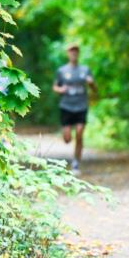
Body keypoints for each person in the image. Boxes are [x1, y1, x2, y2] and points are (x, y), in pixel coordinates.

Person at [53, 43, 95, 173]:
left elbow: (94, 89)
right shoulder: (62, 71)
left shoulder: (85, 70)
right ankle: (67, 136)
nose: (74, 53)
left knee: (79, 134)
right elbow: (55, 87)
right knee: (67, 139)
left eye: (76, 51)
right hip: (66, 106)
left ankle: (76, 163)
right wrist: (61, 89)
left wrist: (91, 83)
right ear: (68, 54)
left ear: (78, 53)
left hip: (81, 106)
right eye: (71, 51)